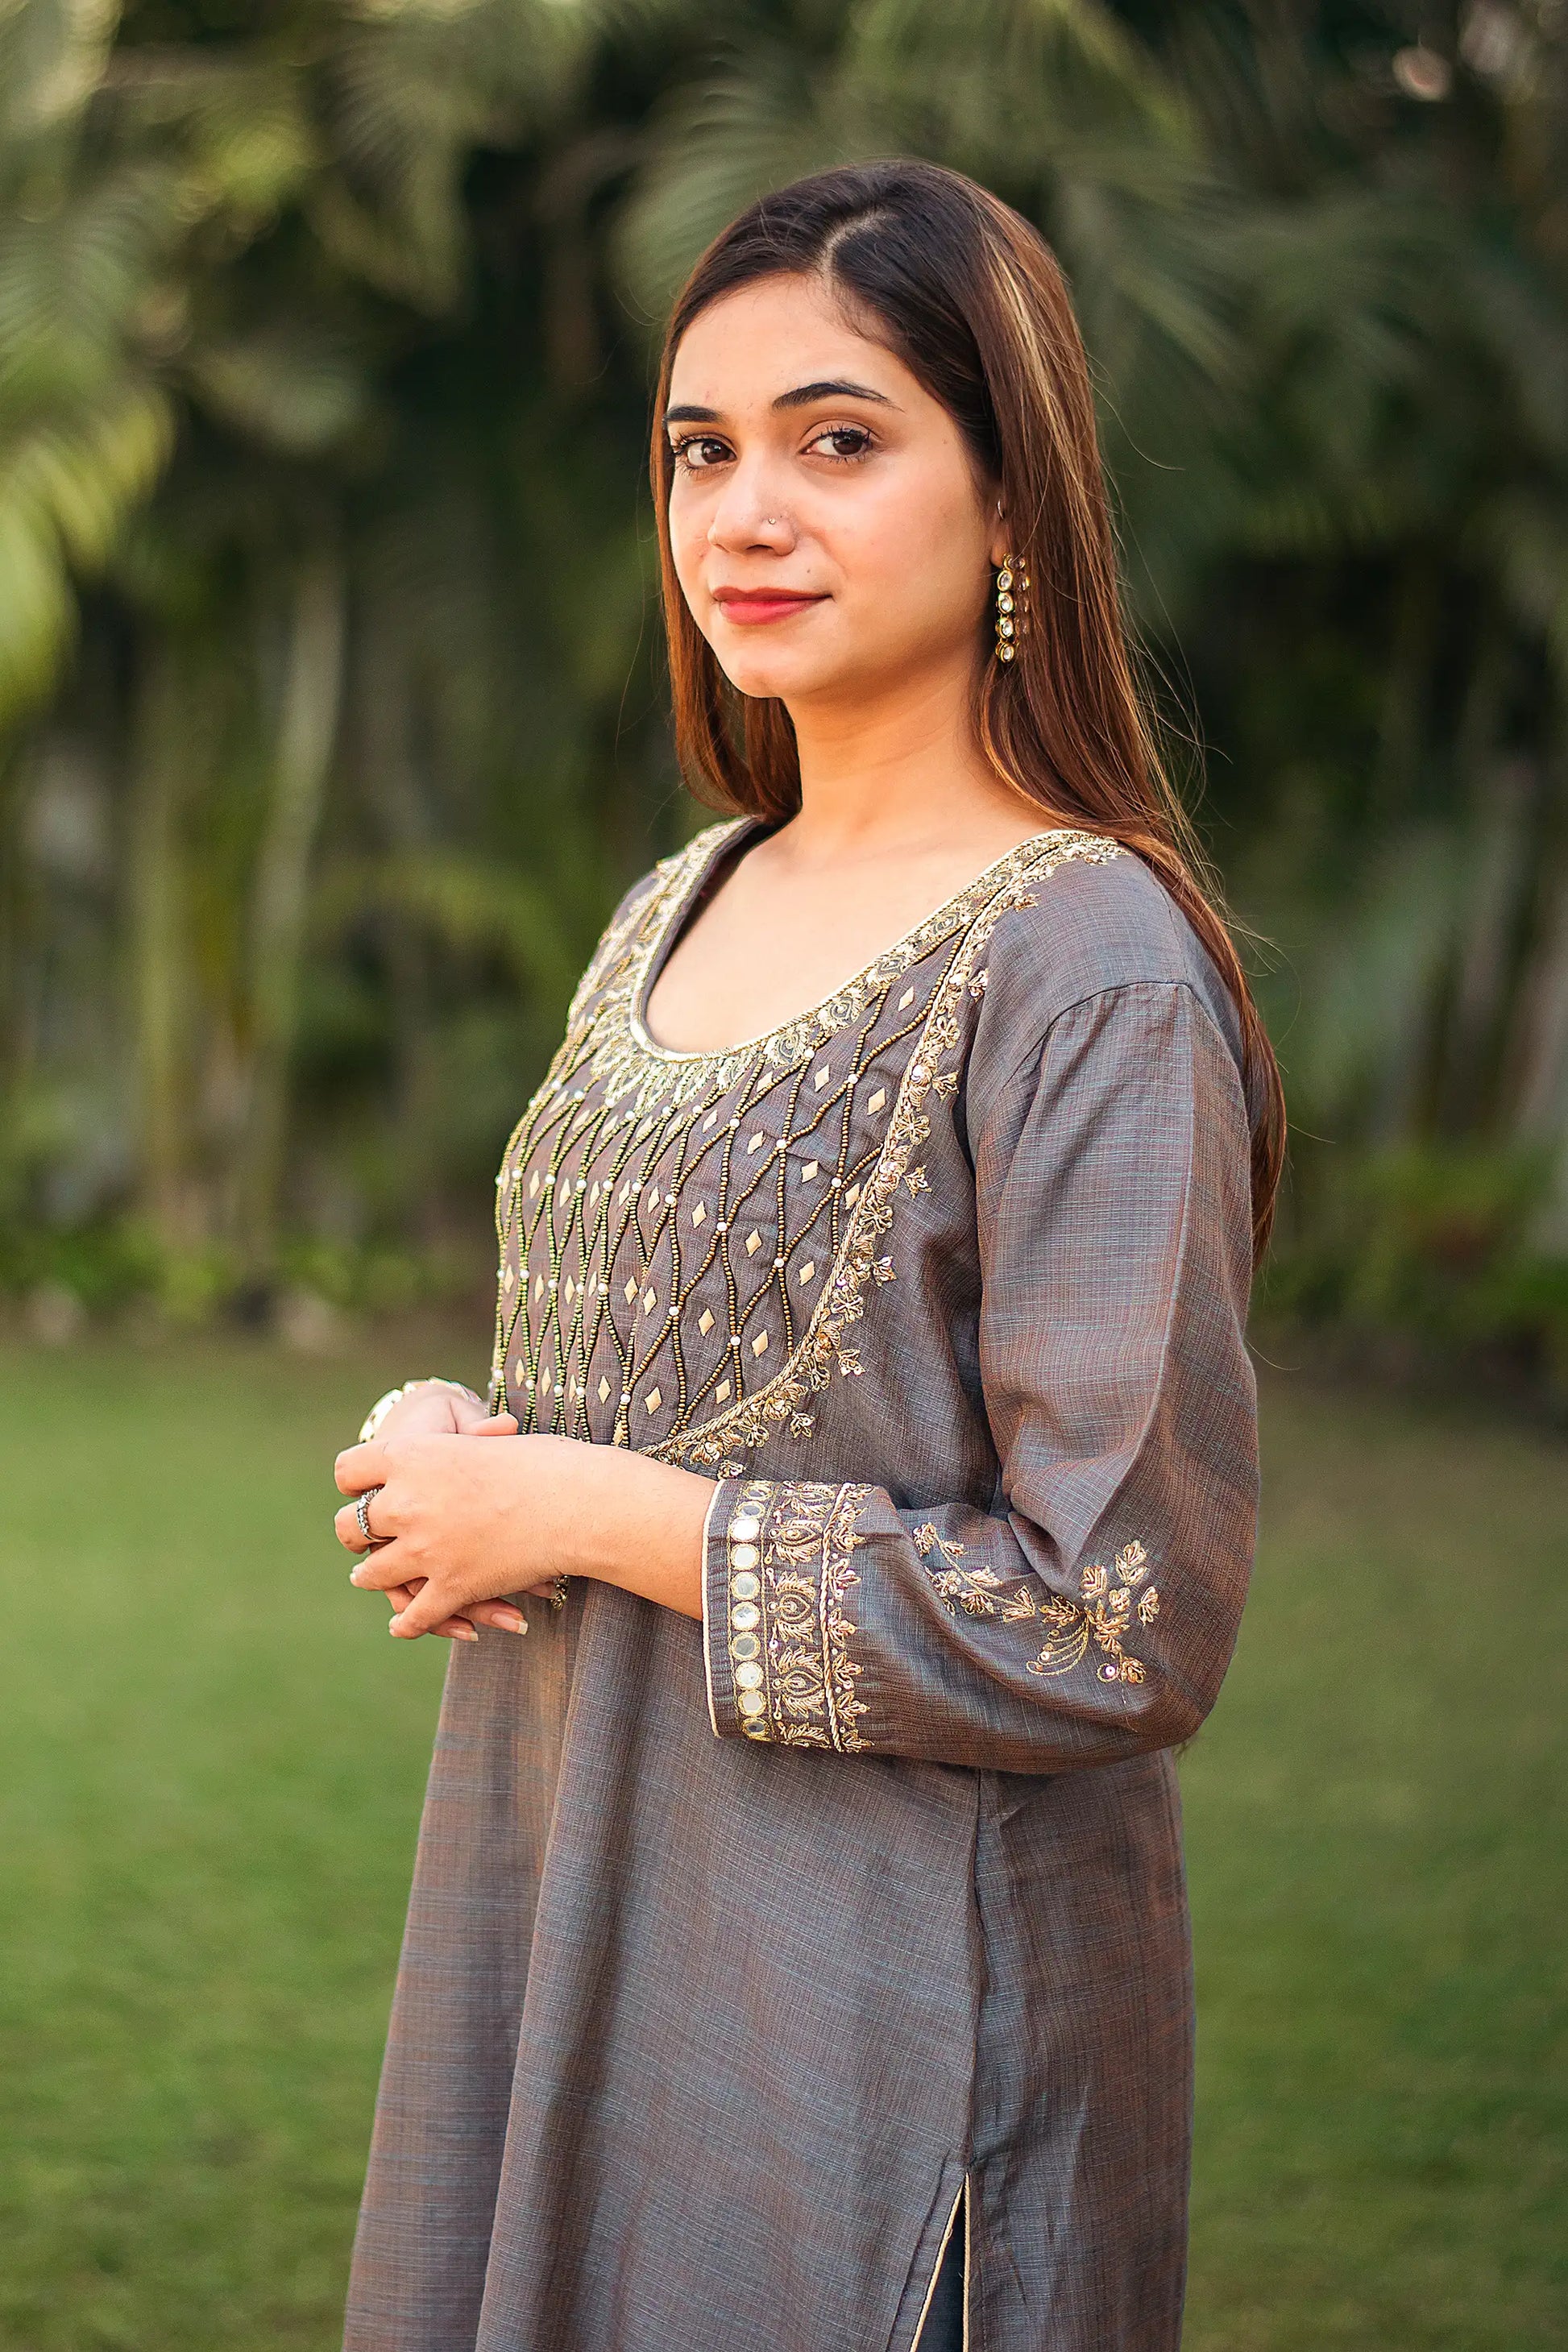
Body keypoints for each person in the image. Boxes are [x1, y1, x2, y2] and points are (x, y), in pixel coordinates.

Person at [334, 158, 1284, 2352]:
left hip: (885, 2053)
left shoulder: (1088, 965)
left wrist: (588, 1507)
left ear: (1012, 502)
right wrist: (464, 1452)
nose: (745, 513)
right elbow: (642, 1406)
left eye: (836, 443)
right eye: (702, 452)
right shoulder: (682, 897)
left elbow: (1110, 1619)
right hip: (576, 1936)